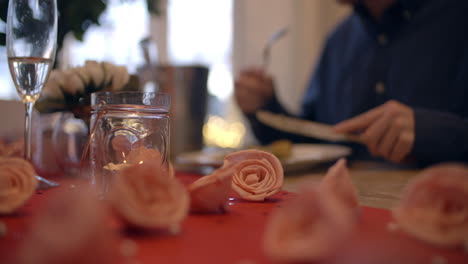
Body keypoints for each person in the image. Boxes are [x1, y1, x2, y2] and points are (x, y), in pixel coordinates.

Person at [235, 0, 468, 166]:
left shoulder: (458, 18)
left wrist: (433, 132)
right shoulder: (339, 39)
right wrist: (265, 108)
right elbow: (318, 142)